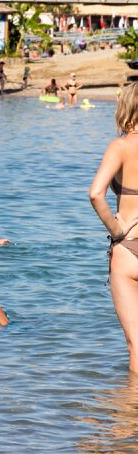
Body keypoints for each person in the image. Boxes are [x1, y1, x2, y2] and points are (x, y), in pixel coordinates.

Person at [89, 83, 138, 371]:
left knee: (136, 345)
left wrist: (117, 230)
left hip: (129, 250)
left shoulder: (120, 146)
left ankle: (131, 412)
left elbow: (96, 193)